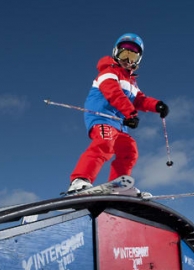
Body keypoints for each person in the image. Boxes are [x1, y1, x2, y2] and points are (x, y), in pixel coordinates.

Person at [67, 33, 169, 195]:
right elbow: (112, 92)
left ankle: (119, 186)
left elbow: (140, 100)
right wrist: (130, 113)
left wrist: (157, 105)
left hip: (119, 124)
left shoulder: (131, 82)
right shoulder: (108, 71)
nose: (128, 60)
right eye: (124, 54)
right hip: (102, 117)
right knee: (104, 143)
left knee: (129, 150)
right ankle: (80, 180)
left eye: (132, 56)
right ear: (116, 53)